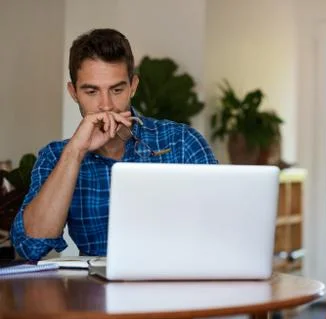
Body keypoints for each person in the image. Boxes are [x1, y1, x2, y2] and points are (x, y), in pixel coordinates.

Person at [10, 28, 217, 261]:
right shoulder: (57, 156)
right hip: (94, 292)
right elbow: (31, 247)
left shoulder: (181, 142)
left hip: (177, 280)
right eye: (91, 91)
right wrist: (75, 153)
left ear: (133, 86)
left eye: (117, 90)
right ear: (73, 92)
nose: (106, 105)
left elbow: (223, 225)